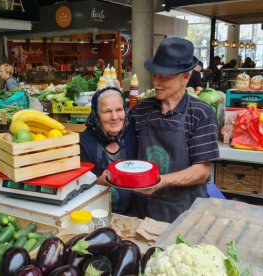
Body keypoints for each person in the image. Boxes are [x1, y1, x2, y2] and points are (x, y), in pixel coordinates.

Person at [130, 37, 220, 223]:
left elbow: (202, 171)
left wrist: (161, 181)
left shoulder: (200, 113)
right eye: (154, 75)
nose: (156, 82)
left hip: (184, 210)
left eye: (164, 77)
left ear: (186, 76)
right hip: (142, 208)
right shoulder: (141, 110)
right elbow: (128, 153)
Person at [80, 87, 137, 215]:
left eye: (119, 110)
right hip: (98, 214)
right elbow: (81, 187)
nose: (115, 117)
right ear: (96, 114)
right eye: (107, 111)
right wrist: (100, 180)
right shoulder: (84, 142)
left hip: (134, 214)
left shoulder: (132, 134)